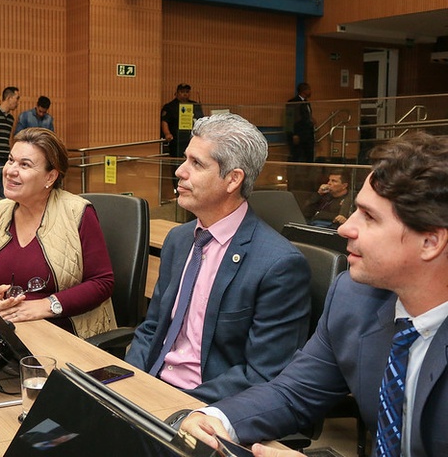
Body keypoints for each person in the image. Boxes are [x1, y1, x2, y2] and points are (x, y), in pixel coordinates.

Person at [180, 132, 448, 457]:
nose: (345, 228)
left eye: (370, 217)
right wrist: (214, 418)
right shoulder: (354, 297)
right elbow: (293, 393)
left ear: (430, 242)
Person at [125, 113, 311, 404]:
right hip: (151, 388)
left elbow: (262, 374)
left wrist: (175, 406)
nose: (180, 171)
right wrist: (128, 383)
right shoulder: (179, 239)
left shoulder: (279, 265)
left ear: (233, 179)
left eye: (196, 163)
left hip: (207, 406)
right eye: (185, 159)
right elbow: (152, 328)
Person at [0, 128, 116, 338]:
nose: (10, 171)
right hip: (6, 331)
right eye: (10, 160)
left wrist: (47, 305)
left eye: (25, 165)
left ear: (50, 176)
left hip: (65, 333)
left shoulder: (78, 212)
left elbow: (102, 282)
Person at [161, 83, 205, 158]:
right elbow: (165, 121)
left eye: (187, 92)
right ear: (176, 93)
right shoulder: (170, 106)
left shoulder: (194, 105)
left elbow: (201, 120)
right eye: (182, 92)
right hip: (176, 139)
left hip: (191, 138)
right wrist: (167, 134)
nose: (185, 94)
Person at [286, 82, 314, 162]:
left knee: (309, 158)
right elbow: (289, 120)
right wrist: (293, 134)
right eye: (309, 89)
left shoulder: (307, 103)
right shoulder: (293, 102)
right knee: (297, 157)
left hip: (308, 135)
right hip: (298, 134)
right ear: (303, 90)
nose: (310, 91)